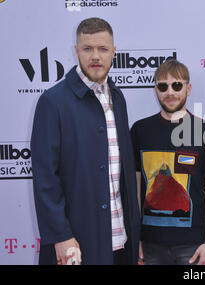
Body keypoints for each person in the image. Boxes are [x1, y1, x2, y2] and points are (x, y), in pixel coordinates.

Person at [31, 17, 140, 265]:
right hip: (77, 241)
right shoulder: (53, 102)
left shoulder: (118, 98)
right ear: (76, 51)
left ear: (114, 52)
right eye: (87, 48)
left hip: (120, 238)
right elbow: (45, 177)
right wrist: (61, 235)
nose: (95, 56)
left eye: (103, 49)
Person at [130, 60, 205, 265]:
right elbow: (134, 190)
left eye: (177, 85)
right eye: (163, 86)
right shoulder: (140, 130)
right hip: (148, 245)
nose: (170, 92)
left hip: (193, 246)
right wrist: (134, 238)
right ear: (155, 89)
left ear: (188, 88)